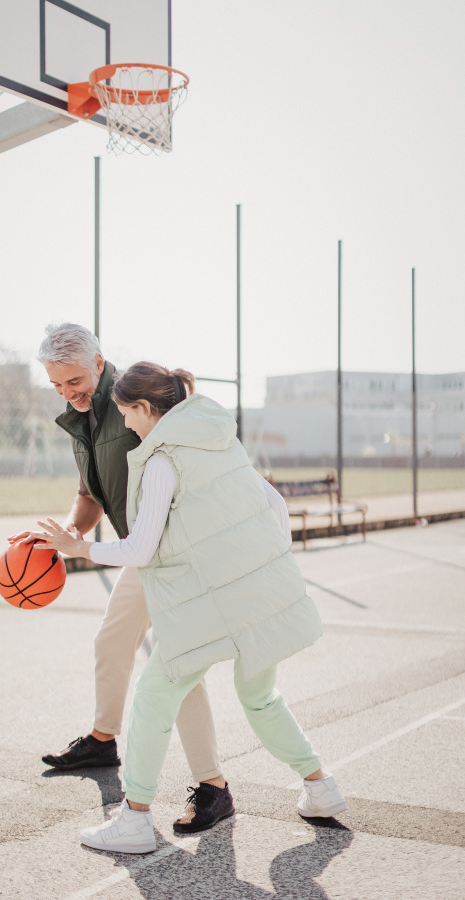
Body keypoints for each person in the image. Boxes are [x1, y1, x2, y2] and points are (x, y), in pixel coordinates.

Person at [21, 361, 347, 855]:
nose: (127, 426)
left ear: (146, 409)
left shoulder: (161, 461)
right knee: (260, 697)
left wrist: (78, 547)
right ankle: (321, 789)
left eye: (128, 415)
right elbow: (274, 504)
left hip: (212, 603)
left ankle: (133, 820)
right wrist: (265, 566)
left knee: (154, 694)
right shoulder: (219, 439)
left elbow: (140, 550)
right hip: (264, 591)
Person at [24, 324, 234, 833]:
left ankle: (214, 787)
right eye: (55, 385)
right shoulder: (85, 418)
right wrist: (70, 535)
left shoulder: (137, 400)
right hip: (143, 552)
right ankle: (102, 740)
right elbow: (91, 495)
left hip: (178, 554)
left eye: (73, 380)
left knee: (177, 670)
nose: (66, 392)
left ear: (99, 363)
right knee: (112, 641)